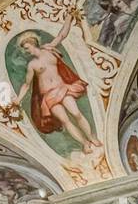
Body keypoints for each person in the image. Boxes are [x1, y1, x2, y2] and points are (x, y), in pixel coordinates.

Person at [11, 14, 101, 152]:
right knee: (65, 121)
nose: (26, 51)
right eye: (25, 49)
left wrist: (69, 18)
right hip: (48, 96)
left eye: (27, 47)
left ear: (33, 43)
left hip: (62, 88)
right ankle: (84, 143)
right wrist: (18, 99)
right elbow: (27, 85)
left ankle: (91, 137)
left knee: (76, 113)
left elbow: (61, 35)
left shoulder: (49, 49)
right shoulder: (32, 64)